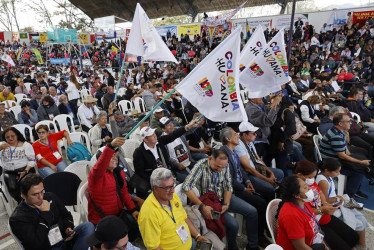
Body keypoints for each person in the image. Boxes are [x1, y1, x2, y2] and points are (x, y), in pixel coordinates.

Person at [183, 149, 257, 250]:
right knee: (233, 225)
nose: (220, 170)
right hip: (208, 203)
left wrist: (226, 204)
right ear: (210, 159)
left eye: (222, 167)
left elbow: (228, 186)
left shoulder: (224, 166)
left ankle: (252, 246)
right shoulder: (201, 166)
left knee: (252, 211)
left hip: (223, 199)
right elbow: (186, 186)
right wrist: (202, 206)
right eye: (217, 166)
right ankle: (232, 247)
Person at [9, 174, 94, 250]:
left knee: (88, 226)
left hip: (65, 238)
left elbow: (66, 216)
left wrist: (68, 228)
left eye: (42, 191)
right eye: (35, 194)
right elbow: (36, 245)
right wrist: (45, 213)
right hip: (48, 247)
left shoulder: (50, 197)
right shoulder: (18, 218)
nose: (41, 197)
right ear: (23, 195)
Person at [291, 160, 360, 249]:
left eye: (313, 177)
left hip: (324, 215)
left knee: (353, 237)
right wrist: (321, 210)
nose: (312, 181)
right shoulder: (295, 191)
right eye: (310, 177)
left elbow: (319, 191)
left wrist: (325, 203)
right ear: (299, 175)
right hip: (315, 223)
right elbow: (303, 213)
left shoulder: (308, 182)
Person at [219, 127, 270, 248]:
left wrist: (247, 181)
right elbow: (229, 179)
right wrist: (243, 188)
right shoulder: (223, 154)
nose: (238, 135)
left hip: (241, 184)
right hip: (232, 190)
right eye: (235, 134)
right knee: (259, 205)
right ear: (228, 139)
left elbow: (239, 168)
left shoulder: (232, 150)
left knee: (265, 196)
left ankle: (262, 231)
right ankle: (254, 243)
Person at [138, 168, 208, 250]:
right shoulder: (148, 213)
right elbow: (154, 247)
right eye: (167, 188)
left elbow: (184, 218)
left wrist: (197, 236)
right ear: (155, 188)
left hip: (190, 242)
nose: (172, 190)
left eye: (173, 185)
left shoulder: (172, 196)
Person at [88, 137, 140, 241]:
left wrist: (133, 209)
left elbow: (124, 193)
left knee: (137, 229)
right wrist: (110, 146)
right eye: (111, 156)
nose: (115, 158)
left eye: (116, 156)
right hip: (101, 219)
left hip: (118, 214)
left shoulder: (118, 172)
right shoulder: (95, 175)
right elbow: (101, 165)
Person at [133, 117, 198, 196]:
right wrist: (155, 182)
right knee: (172, 193)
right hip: (156, 181)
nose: (155, 136)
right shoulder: (139, 152)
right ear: (146, 139)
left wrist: (188, 126)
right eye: (151, 135)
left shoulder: (159, 142)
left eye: (154, 133)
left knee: (189, 181)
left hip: (169, 173)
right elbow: (140, 173)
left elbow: (174, 135)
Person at [317, 158, 368, 249]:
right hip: (333, 206)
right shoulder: (323, 182)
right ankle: (360, 246)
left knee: (361, 218)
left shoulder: (328, 177)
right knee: (358, 223)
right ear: (327, 171)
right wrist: (337, 198)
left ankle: (361, 246)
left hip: (337, 202)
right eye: (337, 172)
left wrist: (340, 199)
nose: (338, 174)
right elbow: (324, 201)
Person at [319, 113, 371, 197]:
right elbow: (342, 155)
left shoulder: (339, 131)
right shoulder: (336, 135)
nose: (350, 123)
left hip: (334, 159)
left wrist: (354, 158)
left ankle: (355, 189)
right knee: (359, 170)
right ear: (340, 123)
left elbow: (345, 150)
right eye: (348, 121)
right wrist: (360, 162)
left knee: (360, 160)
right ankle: (349, 197)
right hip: (331, 163)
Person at [235, 121, 284, 201]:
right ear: (244, 135)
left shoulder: (250, 142)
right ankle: (269, 203)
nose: (256, 135)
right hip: (250, 174)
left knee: (279, 173)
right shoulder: (239, 146)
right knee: (270, 188)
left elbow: (259, 159)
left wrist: (270, 172)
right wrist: (267, 179)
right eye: (253, 133)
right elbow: (248, 169)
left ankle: (276, 195)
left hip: (257, 168)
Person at [276, 176, 328, 250]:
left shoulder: (303, 202)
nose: (310, 188)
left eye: (307, 185)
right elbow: (300, 247)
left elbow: (314, 227)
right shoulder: (291, 215)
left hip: (311, 242)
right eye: (305, 187)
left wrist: (323, 244)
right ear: (296, 195)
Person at [0, 127, 35, 202]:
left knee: (28, 188)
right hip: (10, 172)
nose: (10, 138)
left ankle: (31, 202)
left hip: (25, 169)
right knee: (13, 189)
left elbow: (32, 160)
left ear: (17, 135)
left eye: (12, 136)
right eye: (7, 137)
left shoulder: (25, 145)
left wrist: (25, 171)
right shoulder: (2, 145)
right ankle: (22, 203)